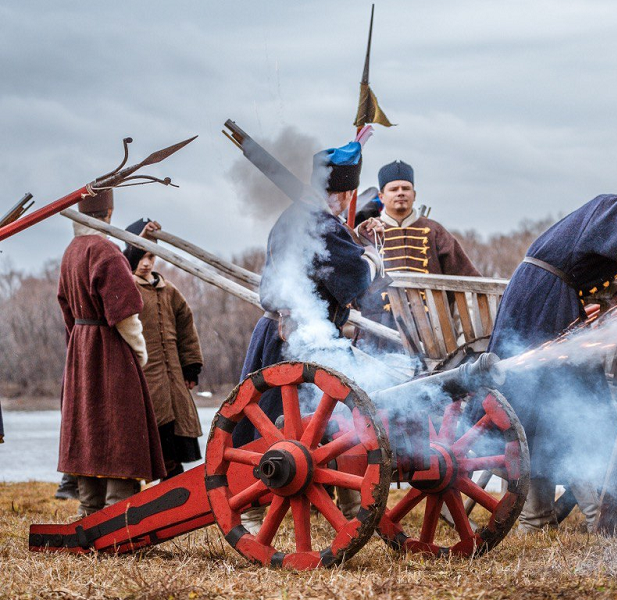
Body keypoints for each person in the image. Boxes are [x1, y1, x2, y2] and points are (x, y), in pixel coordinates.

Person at [488, 192, 617, 532]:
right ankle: (587, 517)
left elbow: (581, 269)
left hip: (546, 300)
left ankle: (540, 518)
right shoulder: (614, 209)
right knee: (567, 403)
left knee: (550, 408)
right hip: (542, 305)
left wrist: (612, 291)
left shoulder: (604, 224)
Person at [235, 136, 383, 530]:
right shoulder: (321, 224)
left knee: (322, 420)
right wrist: (372, 255)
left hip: (286, 333)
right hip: (298, 339)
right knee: (281, 424)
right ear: (344, 194)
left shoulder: (300, 217)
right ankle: (253, 509)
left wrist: (354, 238)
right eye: (347, 196)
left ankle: (350, 502)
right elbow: (354, 280)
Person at [56, 188, 166, 516]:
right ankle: (118, 512)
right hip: (109, 349)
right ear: (108, 214)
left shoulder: (71, 251)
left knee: (88, 427)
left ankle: (88, 510)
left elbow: (66, 308)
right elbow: (125, 314)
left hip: (80, 347)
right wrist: (139, 351)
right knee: (120, 426)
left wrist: (78, 346)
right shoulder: (106, 251)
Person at [123, 219, 205, 479]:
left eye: (151, 256)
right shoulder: (127, 287)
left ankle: (174, 483)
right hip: (146, 376)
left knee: (176, 435)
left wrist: (191, 366)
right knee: (155, 433)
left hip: (174, 380)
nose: (146, 263)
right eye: (141, 256)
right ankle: (163, 485)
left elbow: (186, 328)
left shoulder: (169, 290)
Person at [375, 160, 480, 277]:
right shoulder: (369, 230)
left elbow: (467, 276)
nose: (400, 193)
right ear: (381, 197)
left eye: (405, 188)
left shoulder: (435, 231)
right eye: (394, 189)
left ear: (414, 195)